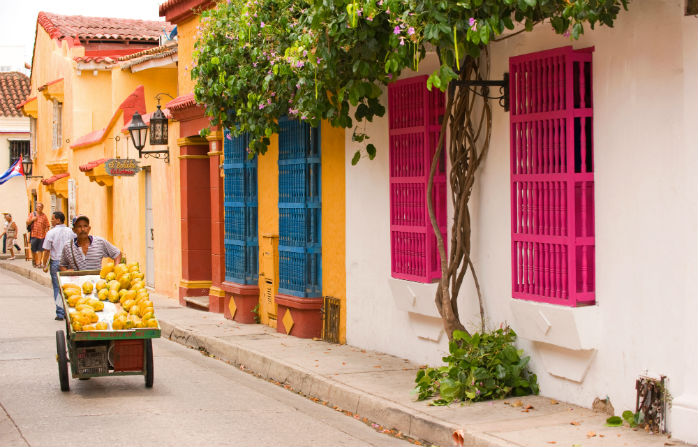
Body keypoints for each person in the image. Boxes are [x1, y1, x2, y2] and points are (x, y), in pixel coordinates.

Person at [41, 211, 75, 320]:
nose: (51, 220)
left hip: (56, 262)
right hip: (70, 262)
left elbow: (46, 250)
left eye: (53, 218)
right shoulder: (71, 232)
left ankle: (60, 313)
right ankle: (70, 311)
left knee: (57, 287)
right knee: (71, 287)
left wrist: (44, 264)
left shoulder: (51, 233)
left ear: (58, 220)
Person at [26, 202, 50, 268]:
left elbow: (47, 225)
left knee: (40, 250)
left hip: (42, 235)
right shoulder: (32, 214)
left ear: (42, 208)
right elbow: (27, 222)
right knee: (33, 250)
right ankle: (34, 260)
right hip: (34, 235)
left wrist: (48, 234)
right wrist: (32, 219)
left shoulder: (44, 216)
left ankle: (39, 263)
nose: (39, 208)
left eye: (41, 207)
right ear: (36, 207)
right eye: (38, 207)